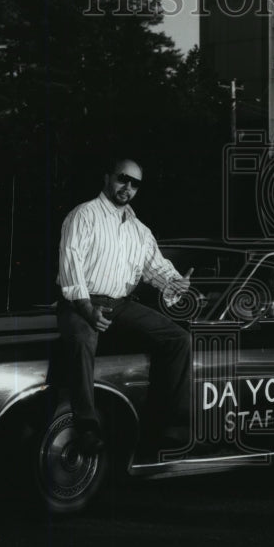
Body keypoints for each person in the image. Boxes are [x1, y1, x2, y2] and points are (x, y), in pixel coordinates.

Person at [51, 157, 192, 460]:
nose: (127, 187)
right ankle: (87, 429)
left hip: (121, 305)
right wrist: (87, 309)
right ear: (107, 178)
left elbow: (157, 270)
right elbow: (70, 267)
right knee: (81, 341)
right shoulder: (83, 215)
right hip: (81, 302)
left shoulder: (140, 231)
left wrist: (176, 284)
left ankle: (170, 428)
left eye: (135, 183)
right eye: (122, 178)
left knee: (179, 339)